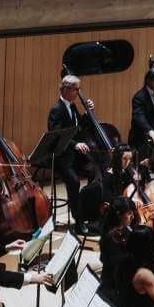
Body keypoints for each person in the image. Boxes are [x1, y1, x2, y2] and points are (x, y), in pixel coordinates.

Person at [48, 74, 100, 236]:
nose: (78, 92)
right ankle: (78, 222)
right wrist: (75, 144)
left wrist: (88, 112)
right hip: (61, 157)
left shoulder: (72, 107)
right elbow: (56, 134)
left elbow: (79, 127)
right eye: (76, 89)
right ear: (67, 90)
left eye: (78, 89)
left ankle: (89, 213)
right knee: (74, 181)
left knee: (94, 172)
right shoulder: (57, 109)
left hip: (73, 156)